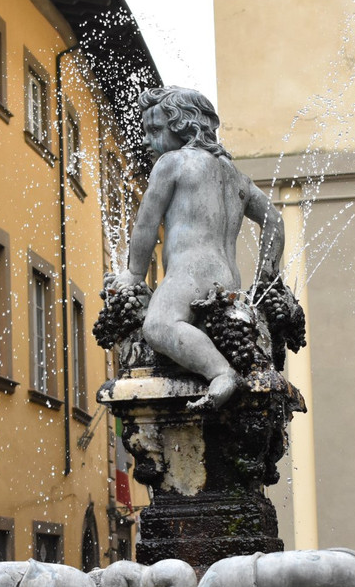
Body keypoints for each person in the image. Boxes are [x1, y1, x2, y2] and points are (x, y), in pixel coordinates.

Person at [114, 86, 285, 410]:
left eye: (154, 130)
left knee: (158, 325)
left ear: (183, 126)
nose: (147, 140)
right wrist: (267, 273)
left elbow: (146, 224)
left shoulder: (172, 162)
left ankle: (219, 372)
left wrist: (134, 274)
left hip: (188, 274)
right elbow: (274, 222)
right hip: (226, 280)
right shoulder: (237, 177)